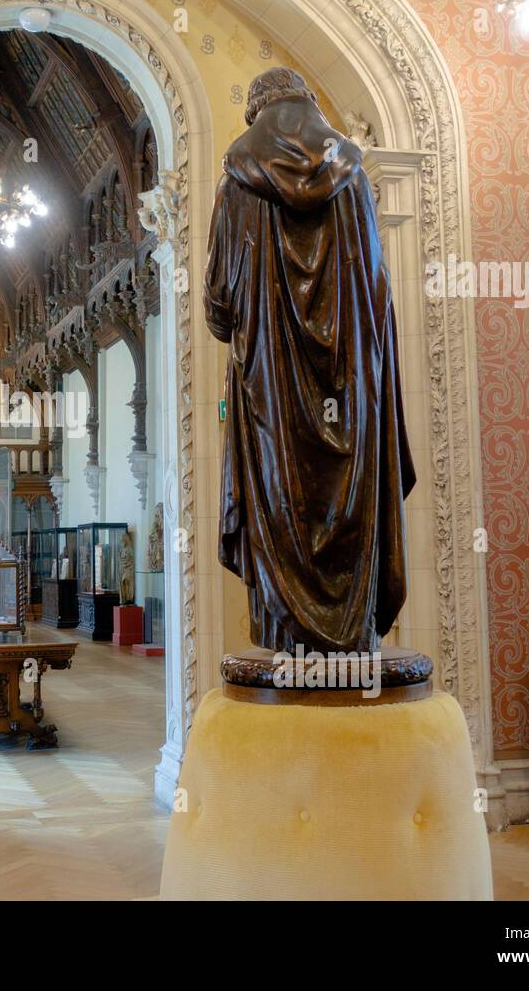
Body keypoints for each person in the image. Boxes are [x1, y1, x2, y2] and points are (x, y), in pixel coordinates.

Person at [204, 67, 415, 654]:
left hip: (271, 395)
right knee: (354, 490)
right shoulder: (351, 176)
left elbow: (219, 304)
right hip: (354, 392)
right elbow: (378, 293)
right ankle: (353, 637)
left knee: (278, 492)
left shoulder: (237, 181)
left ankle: (286, 633)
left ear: (256, 111)